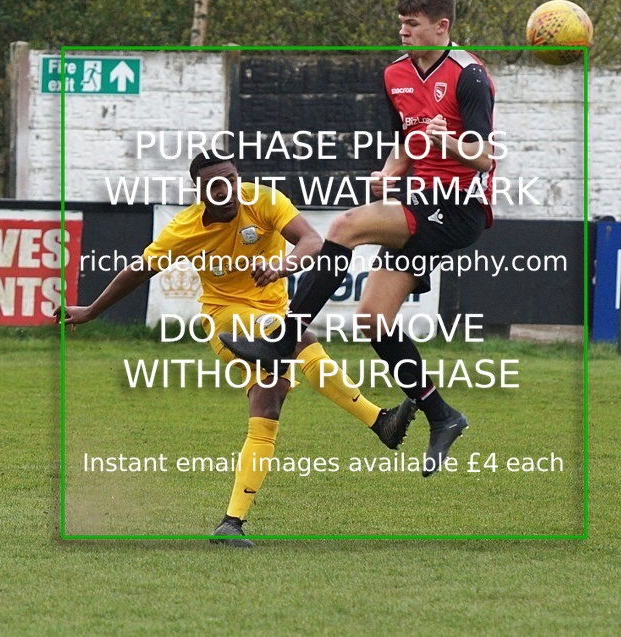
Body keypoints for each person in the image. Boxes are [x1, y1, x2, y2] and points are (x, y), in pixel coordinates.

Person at [56, 154, 416, 547]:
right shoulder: (184, 229)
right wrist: (91, 311)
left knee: (269, 404)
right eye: (214, 185)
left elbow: (312, 241)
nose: (225, 190)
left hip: (274, 316)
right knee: (298, 337)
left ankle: (231, 522)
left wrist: (282, 266)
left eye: (230, 179)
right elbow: (139, 270)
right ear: (200, 192)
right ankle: (378, 421)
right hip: (226, 322)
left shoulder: (262, 200)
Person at [220, 0, 496, 477]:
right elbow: (406, 142)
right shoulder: (395, 74)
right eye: (401, 23)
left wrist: (447, 142)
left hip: (460, 207)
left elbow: (484, 157)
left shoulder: (470, 76)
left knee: (346, 225)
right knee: (373, 318)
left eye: (413, 24)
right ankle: (442, 415)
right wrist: (389, 172)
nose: (404, 31)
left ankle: (282, 341)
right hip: (420, 198)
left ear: (442, 26)